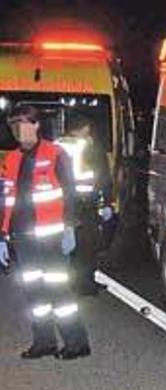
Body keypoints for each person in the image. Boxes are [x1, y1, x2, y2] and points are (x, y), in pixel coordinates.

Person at [0, 105, 91, 360]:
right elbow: (7, 199)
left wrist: (70, 227)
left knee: (59, 292)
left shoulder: (55, 154)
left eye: (24, 123)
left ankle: (76, 343)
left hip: (51, 237)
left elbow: (70, 193)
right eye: (14, 124)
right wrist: (4, 235)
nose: (19, 129)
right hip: (23, 237)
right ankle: (44, 342)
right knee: (34, 294)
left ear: (36, 124)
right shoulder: (12, 158)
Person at [60, 114, 113, 295]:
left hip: (65, 205)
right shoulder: (89, 146)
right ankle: (85, 284)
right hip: (86, 205)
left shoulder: (57, 145)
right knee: (88, 247)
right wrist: (106, 202)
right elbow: (101, 176)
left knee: (71, 247)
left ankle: (72, 282)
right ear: (85, 128)